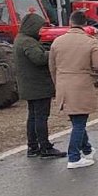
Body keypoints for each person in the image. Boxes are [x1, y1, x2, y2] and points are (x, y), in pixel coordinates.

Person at [49, 11, 98, 169]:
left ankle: (86, 148)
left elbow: (52, 66)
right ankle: (74, 157)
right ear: (85, 24)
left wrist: (58, 83)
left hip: (63, 84)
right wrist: (93, 75)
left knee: (77, 120)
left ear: (70, 21)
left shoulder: (57, 42)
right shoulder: (90, 42)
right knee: (80, 122)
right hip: (81, 84)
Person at [15, 12, 65, 158]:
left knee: (33, 117)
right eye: (39, 28)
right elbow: (38, 59)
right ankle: (45, 147)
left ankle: (33, 147)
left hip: (30, 85)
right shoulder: (27, 42)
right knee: (41, 117)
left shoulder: (21, 39)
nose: (40, 31)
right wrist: (53, 53)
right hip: (37, 86)